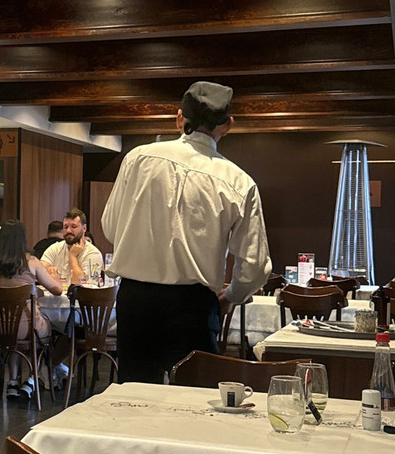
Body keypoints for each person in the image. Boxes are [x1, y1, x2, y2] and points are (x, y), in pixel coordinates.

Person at [102, 81, 271, 383]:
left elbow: (111, 227)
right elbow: (255, 265)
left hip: (136, 300)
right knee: (194, 396)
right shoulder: (239, 181)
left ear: (179, 118)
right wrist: (231, 297)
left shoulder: (137, 159)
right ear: (228, 125)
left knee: (134, 397)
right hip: (193, 305)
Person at [0, 219, 63, 399]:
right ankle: (32, 379)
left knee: (13, 329)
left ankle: (12, 381)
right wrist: (52, 277)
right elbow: (57, 290)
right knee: (44, 329)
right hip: (27, 328)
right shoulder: (31, 262)